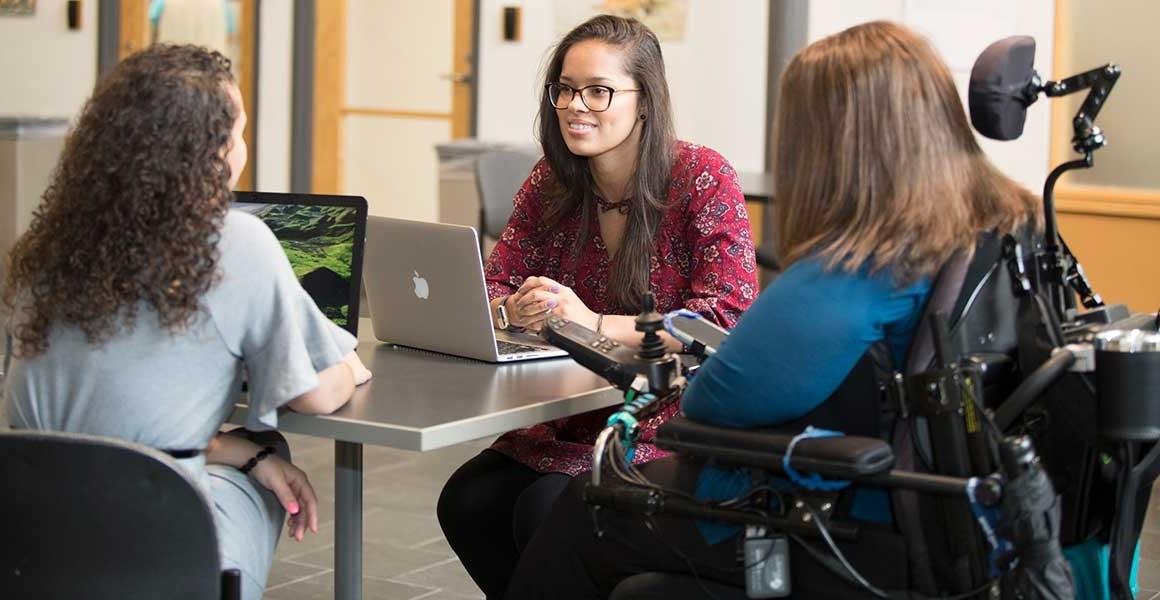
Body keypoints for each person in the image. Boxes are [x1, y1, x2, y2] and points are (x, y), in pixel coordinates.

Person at [503, 21, 1043, 599]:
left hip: (833, 517)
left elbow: (715, 398)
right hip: (944, 516)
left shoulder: (851, 267)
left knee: (586, 510)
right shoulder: (999, 230)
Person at [1, 45, 371, 600]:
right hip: (161, 546)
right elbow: (315, 396)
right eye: (240, 132)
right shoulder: (235, 241)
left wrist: (248, 452)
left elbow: (101, 438)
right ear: (215, 151)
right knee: (275, 456)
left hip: (30, 544)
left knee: (259, 452)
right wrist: (348, 363)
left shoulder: (47, 250)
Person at [436, 14, 758, 600]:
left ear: (645, 101)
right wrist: (516, 310)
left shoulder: (702, 177)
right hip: (572, 410)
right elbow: (493, 285)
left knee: (546, 511)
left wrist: (589, 322)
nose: (575, 105)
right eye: (564, 88)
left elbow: (723, 322)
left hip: (670, 413)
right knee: (468, 501)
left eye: (598, 91)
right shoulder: (552, 182)